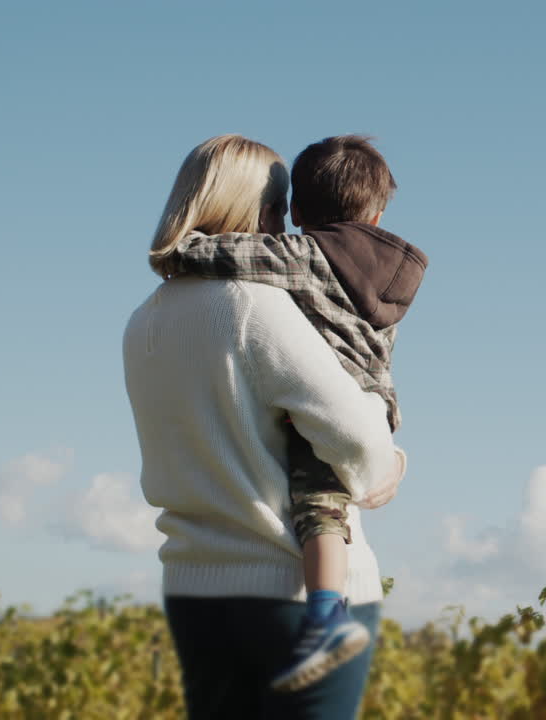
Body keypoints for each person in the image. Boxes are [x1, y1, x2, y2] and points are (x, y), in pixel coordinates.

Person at [124, 134, 405, 718]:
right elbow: (359, 440)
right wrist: (393, 464)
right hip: (292, 591)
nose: (287, 229)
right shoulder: (255, 305)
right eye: (276, 207)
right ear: (248, 208)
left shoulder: (143, 319)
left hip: (193, 590)